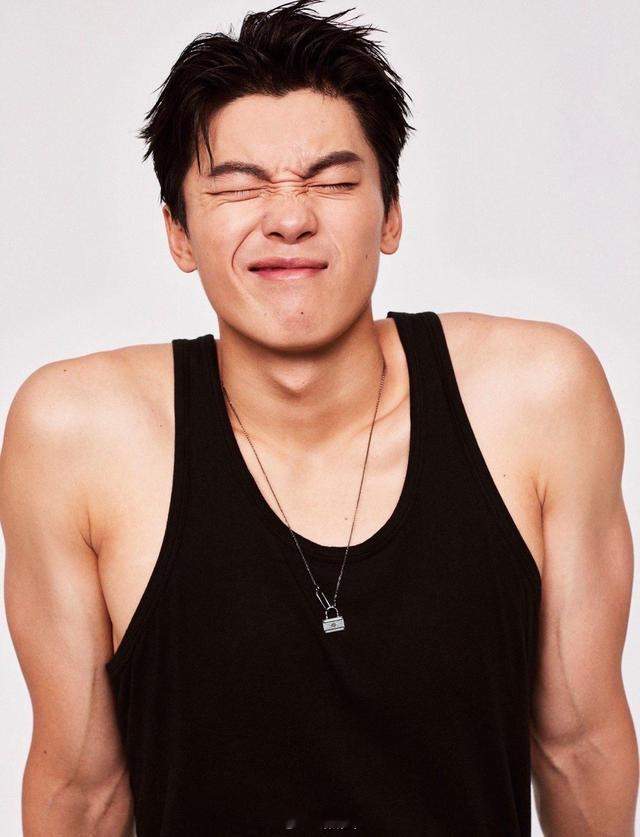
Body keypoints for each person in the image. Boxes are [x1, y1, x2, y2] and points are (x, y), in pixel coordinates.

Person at [1, 0, 637, 834]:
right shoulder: (77, 436)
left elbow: (579, 744)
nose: (290, 217)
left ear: (392, 213)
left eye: (333, 182)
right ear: (178, 233)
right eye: (239, 186)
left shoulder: (537, 397)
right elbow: (84, 789)